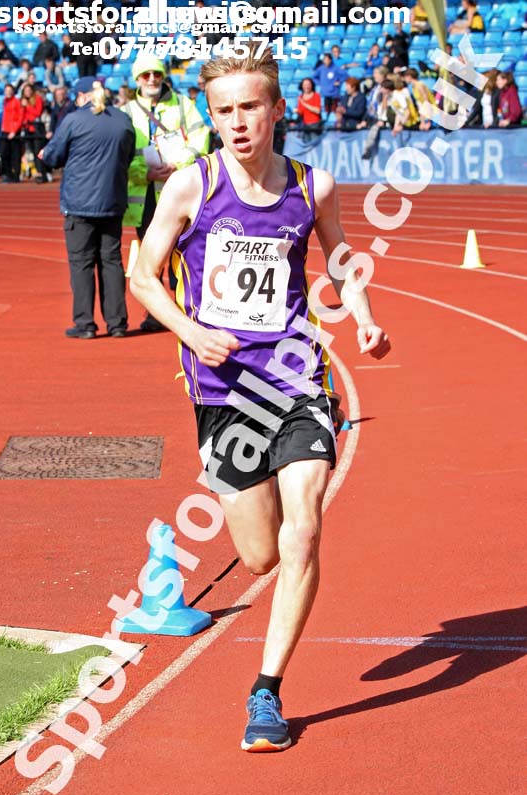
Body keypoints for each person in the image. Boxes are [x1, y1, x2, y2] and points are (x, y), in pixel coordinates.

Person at [130, 46, 390, 752]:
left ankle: (266, 692)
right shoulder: (191, 185)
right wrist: (190, 330)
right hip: (221, 393)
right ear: (211, 118)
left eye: (250, 107)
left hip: (298, 378)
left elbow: (340, 259)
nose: (238, 122)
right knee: (257, 558)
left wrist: (361, 316)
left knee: (303, 527)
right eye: (224, 111)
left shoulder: (313, 186)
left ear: (277, 108)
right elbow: (142, 274)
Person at [121, 52, 210, 332]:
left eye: (156, 74)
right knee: (152, 254)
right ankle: (156, 314)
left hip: (178, 191)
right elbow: (122, 153)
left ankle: (186, 310)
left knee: (182, 252)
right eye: (146, 75)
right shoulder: (127, 111)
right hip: (146, 193)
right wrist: (143, 172)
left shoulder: (183, 105)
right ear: (137, 79)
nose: (152, 79)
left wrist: (177, 164)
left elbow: (201, 139)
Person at [41, 77, 135, 339]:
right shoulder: (123, 120)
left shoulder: (73, 120)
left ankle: (85, 324)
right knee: (112, 262)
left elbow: (53, 156)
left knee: (81, 263)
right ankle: (117, 323)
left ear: (81, 96)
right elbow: (127, 156)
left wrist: (46, 155)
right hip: (112, 202)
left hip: (80, 204)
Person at [20, 82, 48, 183]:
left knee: (38, 152)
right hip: (27, 129)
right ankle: (37, 173)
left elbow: (37, 113)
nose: (27, 92)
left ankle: (42, 174)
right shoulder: (22, 101)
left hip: (36, 129)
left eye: (29, 90)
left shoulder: (37, 99)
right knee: (31, 152)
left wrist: (27, 106)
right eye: (25, 91)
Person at [0, 83, 23, 183]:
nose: (8, 92)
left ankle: (16, 176)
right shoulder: (5, 101)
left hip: (14, 132)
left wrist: (14, 131)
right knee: (4, 153)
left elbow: (20, 117)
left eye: (10, 90)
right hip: (5, 131)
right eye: (6, 90)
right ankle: (8, 174)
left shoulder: (17, 102)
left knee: (15, 154)